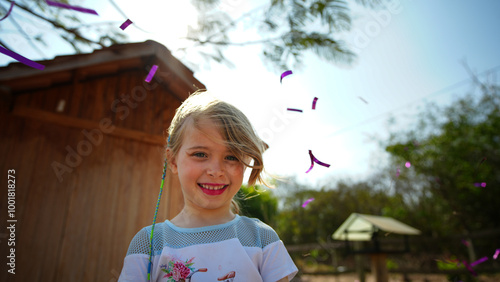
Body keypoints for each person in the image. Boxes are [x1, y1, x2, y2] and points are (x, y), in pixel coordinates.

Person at [119, 90, 298, 282]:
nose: (216, 170)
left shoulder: (262, 240)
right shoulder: (149, 244)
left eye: (231, 157)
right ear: (172, 161)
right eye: (200, 154)